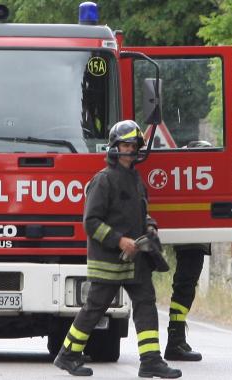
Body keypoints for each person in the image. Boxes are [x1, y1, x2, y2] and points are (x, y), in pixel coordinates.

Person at [53, 120, 181, 378]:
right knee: (95, 308)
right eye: (125, 144)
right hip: (109, 260)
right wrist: (119, 240)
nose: (130, 150)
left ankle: (151, 361)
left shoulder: (135, 179)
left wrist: (151, 227)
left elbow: (142, 214)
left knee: (146, 305)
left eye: (134, 145)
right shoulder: (103, 181)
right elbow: (91, 222)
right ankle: (67, 355)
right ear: (114, 147)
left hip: (137, 261)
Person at [164, 140, 214, 362]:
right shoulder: (196, 177)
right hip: (192, 240)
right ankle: (174, 341)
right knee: (185, 287)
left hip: (193, 238)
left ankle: (176, 340)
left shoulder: (188, 176)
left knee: (185, 287)